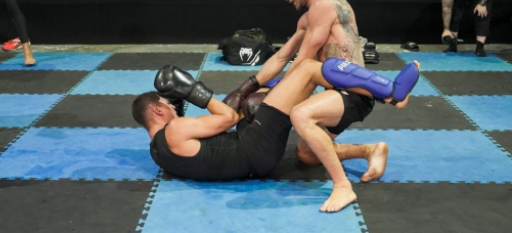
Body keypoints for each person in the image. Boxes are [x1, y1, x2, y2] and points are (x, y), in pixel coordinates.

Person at [223, 0, 403, 212]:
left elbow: (305, 61)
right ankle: (370, 150)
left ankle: (343, 187)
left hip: (353, 93)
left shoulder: (327, 5)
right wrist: (247, 87)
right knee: (306, 155)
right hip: (335, 93)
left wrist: (274, 96)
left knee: (301, 114)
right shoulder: (307, 19)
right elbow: (282, 57)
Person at [132, 58, 420, 212]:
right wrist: (195, 91)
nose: (177, 107)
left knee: (304, 147)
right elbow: (228, 118)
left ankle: (369, 150)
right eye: (170, 104)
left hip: (250, 159)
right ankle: (392, 94)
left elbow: (222, 135)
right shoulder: (174, 129)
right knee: (307, 68)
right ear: (157, 111)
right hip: (252, 147)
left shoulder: (158, 153)